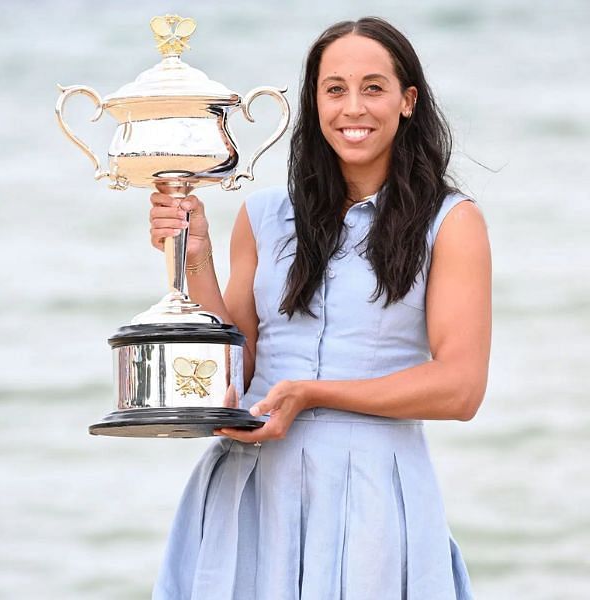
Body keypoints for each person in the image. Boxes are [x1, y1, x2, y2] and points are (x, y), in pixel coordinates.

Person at [145, 17, 490, 599]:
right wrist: (194, 256)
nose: (352, 107)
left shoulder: (451, 223)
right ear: (314, 101)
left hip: (374, 494)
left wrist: (312, 393)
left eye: (373, 87)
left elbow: (459, 390)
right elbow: (236, 369)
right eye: (335, 89)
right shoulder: (262, 216)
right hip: (250, 489)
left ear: (408, 101)